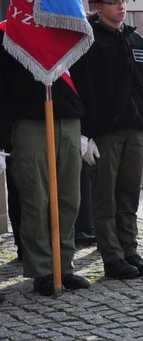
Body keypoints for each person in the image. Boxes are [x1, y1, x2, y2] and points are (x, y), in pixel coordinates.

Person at [0, 26, 93, 295]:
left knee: (68, 199)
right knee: (36, 199)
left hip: (69, 118)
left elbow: (85, 79)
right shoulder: (10, 34)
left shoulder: (65, 27)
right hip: (29, 121)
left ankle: (64, 265)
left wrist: (88, 128)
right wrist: (3, 139)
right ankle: (42, 270)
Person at [75, 0, 143, 280]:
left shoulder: (134, 40)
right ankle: (112, 257)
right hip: (104, 132)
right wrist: (85, 133)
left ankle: (130, 250)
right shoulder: (89, 41)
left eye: (123, 2)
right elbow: (84, 88)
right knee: (105, 198)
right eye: (114, 3)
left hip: (133, 128)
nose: (122, 7)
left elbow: (142, 85)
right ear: (98, 7)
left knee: (129, 195)